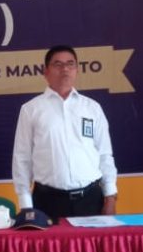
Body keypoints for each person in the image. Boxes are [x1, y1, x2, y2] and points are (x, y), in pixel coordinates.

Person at [12, 45, 118, 219]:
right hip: (47, 202)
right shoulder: (30, 110)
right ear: (46, 72)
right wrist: (26, 205)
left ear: (77, 70)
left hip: (91, 200)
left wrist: (110, 197)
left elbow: (105, 155)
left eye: (70, 64)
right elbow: (22, 159)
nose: (65, 69)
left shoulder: (92, 108)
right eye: (58, 64)